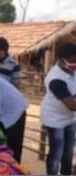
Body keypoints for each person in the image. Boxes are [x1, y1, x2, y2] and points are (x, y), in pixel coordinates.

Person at [0, 36, 25, 163]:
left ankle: (14, 167)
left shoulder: (14, 66)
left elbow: (16, 85)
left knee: (13, 142)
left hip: (9, 108)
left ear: (3, 50)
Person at [41, 43, 76, 175]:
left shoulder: (72, 70)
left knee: (68, 153)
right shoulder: (55, 79)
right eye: (73, 60)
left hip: (70, 118)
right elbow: (72, 105)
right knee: (56, 153)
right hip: (55, 119)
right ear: (61, 60)